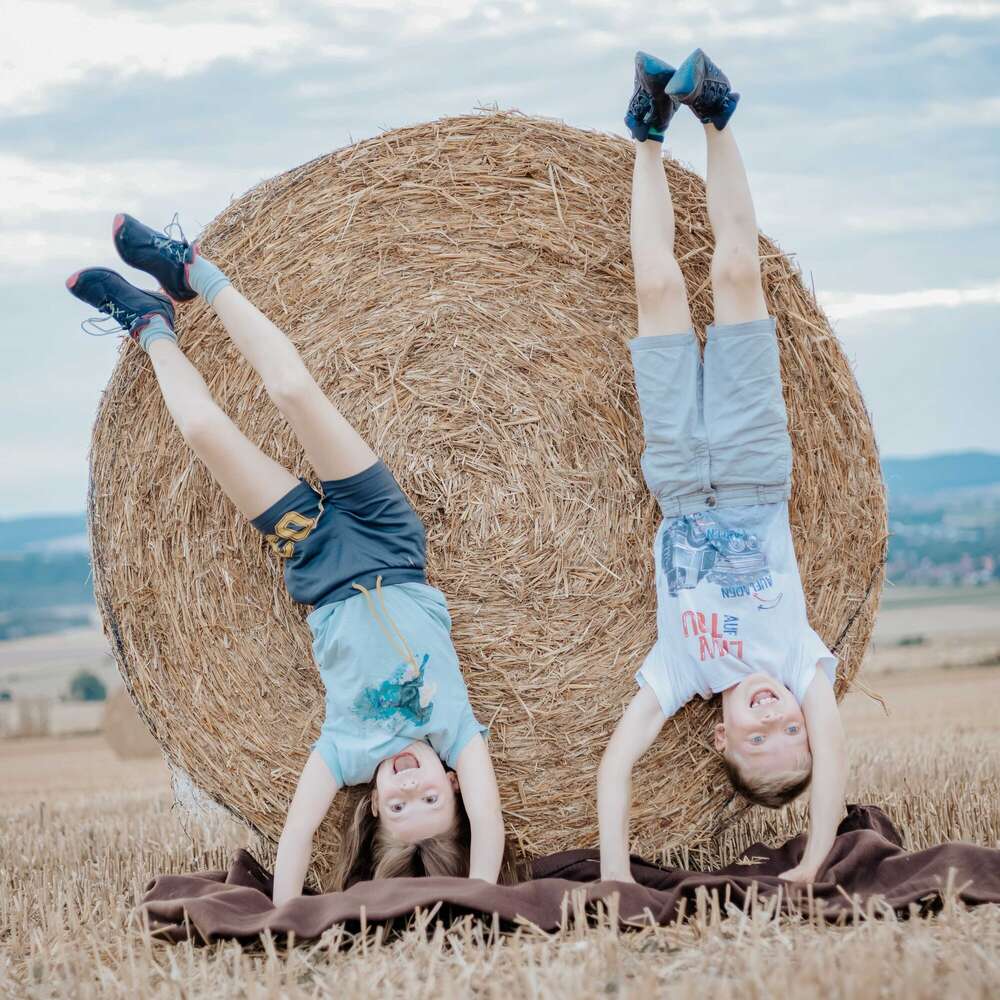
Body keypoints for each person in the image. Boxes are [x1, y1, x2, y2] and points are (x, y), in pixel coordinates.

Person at [66, 216, 507, 903]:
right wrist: (483, 893)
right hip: (388, 537)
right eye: (432, 802)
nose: (412, 788)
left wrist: (285, 915)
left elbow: (298, 838)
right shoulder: (455, 731)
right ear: (453, 784)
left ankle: (150, 324)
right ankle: (193, 273)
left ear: (372, 804)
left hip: (317, 559)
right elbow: (490, 822)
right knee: (294, 390)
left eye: (398, 809)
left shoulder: (345, 749)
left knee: (206, 433)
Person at [597, 49, 847, 885]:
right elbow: (835, 770)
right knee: (739, 274)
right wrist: (813, 863)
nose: (777, 724)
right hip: (751, 468)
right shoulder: (799, 657)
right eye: (794, 737)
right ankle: (716, 115)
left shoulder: (679, 673)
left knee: (658, 290)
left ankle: (643, 136)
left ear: (720, 735)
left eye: (758, 742)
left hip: (675, 474)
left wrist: (616, 874)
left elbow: (617, 767)